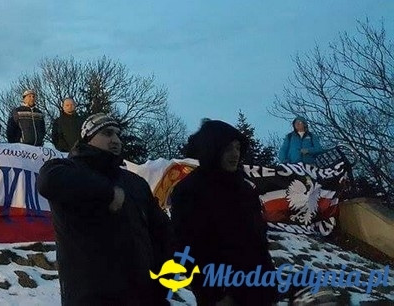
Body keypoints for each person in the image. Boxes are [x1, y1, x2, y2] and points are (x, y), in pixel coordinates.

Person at [37, 113, 172, 305]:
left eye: (118, 135)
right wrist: (106, 193)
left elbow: (162, 233)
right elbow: (47, 181)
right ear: (88, 137)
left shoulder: (135, 183)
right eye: (108, 133)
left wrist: (160, 284)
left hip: (144, 296)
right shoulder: (66, 170)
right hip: (91, 296)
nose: (116, 140)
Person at [170, 119, 278, 306]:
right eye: (227, 148)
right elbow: (186, 247)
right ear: (212, 150)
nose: (235, 154)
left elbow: (257, 240)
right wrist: (215, 294)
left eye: (237, 148)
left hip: (259, 288)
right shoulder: (189, 190)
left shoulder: (245, 187)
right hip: (221, 294)